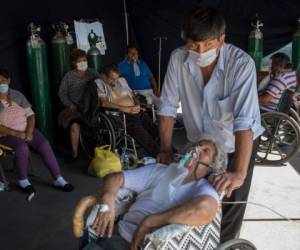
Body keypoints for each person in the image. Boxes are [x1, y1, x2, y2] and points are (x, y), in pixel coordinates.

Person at [157, 7, 264, 242]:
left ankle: (225, 244)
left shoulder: (241, 65)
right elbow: (166, 107)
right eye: (194, 45)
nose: (200, 51)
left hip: (237, 145)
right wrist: (165, 149)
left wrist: (238, 173)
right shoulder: (178, 59)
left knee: (229, 204)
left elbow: (244, 123)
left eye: (208, 44)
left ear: (222, 40)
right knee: (196, 200)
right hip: (201, 145)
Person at [84, 136, 227, 250]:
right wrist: (108, 200)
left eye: (205, 150)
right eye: (198, 145)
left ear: (212, 166)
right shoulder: (161, 170)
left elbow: (204, 210)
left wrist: (150, 221)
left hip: (149, 244)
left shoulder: (204, 188)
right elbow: (115, 177)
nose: (197, 149)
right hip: (118, 234)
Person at [0, 68, 74, 193]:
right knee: (22, 147)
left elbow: (30, 115)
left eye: (3, 80)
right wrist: (16, 133)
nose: (1, 84)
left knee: (44, 144)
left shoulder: (17, 95)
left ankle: (58, 178)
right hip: (6, 135)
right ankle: (23, 180)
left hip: (25, 129)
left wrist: (29, 132)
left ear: (9, 80)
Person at [95, 64, 159, 157]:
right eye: (112, 79)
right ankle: (158, 153)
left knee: (152, 126)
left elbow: (133, 95)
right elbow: (104, 103)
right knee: (141, 132)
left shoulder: (122, 80)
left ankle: (168, 149)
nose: (114, 82)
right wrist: (126, 109)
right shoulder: (99, 83)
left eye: (116, 78)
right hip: (120, 115)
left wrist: (137, 104)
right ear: (104, 76)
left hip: (134, 110)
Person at [58, 48, 99, 161]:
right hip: (76, 108)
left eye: (84, 60)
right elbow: (62, 93)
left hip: (92, 107)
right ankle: (75, 154)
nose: (83, 63)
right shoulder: (69, 76)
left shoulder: (92, 72)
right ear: (74, 63)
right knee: (74, 126)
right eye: (80, 61)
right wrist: (70, 105)